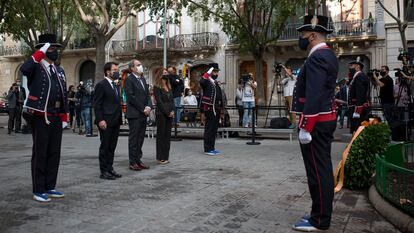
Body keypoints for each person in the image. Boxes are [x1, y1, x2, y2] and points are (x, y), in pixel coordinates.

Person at [291, 15, 338, 231]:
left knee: (318, 172)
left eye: (302, 34)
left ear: (312, 34)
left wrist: (306, 126)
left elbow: (315, 93)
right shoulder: (325, 55)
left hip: (317, 122)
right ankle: (318, 214)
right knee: (321, 169)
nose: (300, 38)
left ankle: (319, 220)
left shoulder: (318, 57)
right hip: (322, 119)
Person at [20, 34, 69, 202]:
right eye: (52, 48)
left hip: (56, 115)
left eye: (56, 48)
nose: (55, 51)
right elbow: (24, 70)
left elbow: (63, 94)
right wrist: (39, 52)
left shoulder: (58, 69)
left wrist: (64, 115)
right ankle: (38, 189)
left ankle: (50, 186)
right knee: (41, 152)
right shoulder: (35, 66)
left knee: (54, 152)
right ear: (44, 49)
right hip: (40, 116)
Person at [93, 62, 123, 180]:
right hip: (106, 121)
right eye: (114, 70)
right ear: (107, 71)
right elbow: (97, 104)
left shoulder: (116, 85)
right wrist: (100, 120)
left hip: (116, 120)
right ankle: (104, 171)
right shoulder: (101, 85)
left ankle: (110, 168)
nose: (116, 71)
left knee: (112, 146)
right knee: (105, 146)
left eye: (117, 69)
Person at [124, 59, 152, 171]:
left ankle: (138, 160)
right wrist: (142, 108)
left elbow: (148, 95)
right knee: (134, 139)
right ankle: (132, 162)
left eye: (141, 64)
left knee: (140, 138)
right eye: (138, 65)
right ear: (132, 68)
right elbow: (131, 97)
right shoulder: (129, 80)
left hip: (143, 114)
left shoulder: (142, 79)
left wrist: (149, 106)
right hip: (135, 114)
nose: (141, 66)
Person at [200, 63, 224, 156]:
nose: (216, 73)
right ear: (210, 71)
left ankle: (212, 147)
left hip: (216, 108)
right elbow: (202, 81)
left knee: (214, 129)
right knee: (209, 129)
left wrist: (221, 109)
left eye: (217, 71)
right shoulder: (206, 81)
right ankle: (207, 149)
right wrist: (209, 71)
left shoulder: (214, 82)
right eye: (214, 71)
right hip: (209, 108)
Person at [154, 69, 175, 164]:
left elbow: (172, 100)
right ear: (160, 75)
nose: (166, 74)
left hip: (170, 113)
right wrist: (167, 112)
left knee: (167, 135)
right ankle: (160, 157)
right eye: (164, 73)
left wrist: (173, 111)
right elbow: (159, 101)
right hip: (161, 114)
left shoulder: (169, 86)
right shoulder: (157, 87)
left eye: (167, 73)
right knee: (161, 135)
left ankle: (166, 156)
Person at [348, 56, 370, 134]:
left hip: (357, 107)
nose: (350, 67)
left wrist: (358, 110)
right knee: (355, 128)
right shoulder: (356, 77)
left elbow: (360, 94)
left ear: (357, 67)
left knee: (358, 128)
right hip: (354, 106)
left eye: (352, 66)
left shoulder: (360, 77)